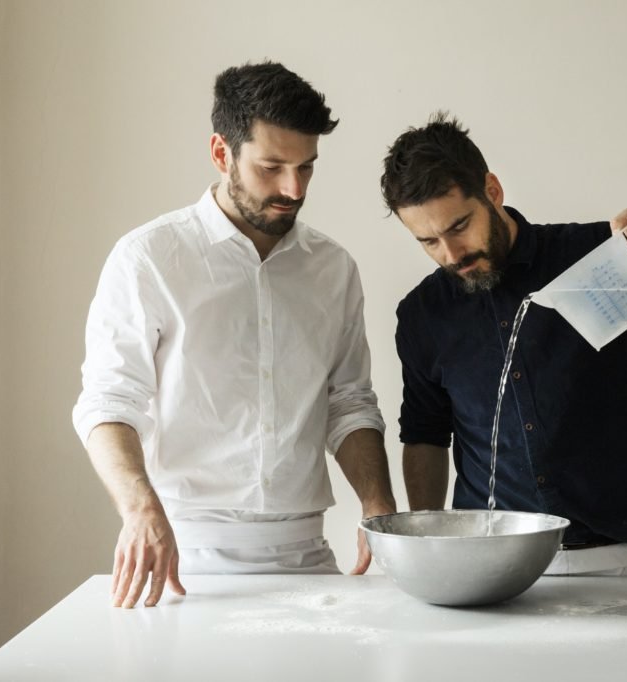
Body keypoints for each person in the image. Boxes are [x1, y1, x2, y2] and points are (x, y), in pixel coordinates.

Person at [380, 113, 627, 576]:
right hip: (486, 566)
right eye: (428, 242)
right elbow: (425, 434)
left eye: (459, 226)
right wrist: (429, 550)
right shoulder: (424, 312)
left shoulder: (595, 257)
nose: (451, 254)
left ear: (493, 191)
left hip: (614, 564)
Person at [72, 61, 396, 608]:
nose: (293, 188)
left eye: (307, 168)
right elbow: (108, 402)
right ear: (223, 153)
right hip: (182, 557)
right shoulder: (148, 258)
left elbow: (350, 403)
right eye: (272, 167)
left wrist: (377, 506)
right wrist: (140, 510)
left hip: (308, 555)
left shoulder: (333, 268)